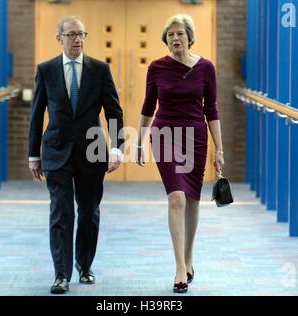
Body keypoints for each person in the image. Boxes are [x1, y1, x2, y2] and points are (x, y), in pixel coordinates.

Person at [28, 16, 124, 294]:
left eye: (81, 34)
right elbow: (36, 114)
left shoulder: (99, 69)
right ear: (59, 38)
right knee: (61, 212)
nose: (77, 39)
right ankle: (61, 274)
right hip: (56, 150)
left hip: (92, 150)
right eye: (71, 35)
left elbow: (114, 112)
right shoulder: (46, 70)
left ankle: (85, 266)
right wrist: (34, 154)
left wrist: (116, 149)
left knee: (89, 212)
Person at [136, 14, 225, 293]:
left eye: (180, 34)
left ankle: (188, 257)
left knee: (192, 200)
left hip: (196, 137)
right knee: (176, 198)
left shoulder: (206, 68)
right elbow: (148, 107)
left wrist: (219, 149)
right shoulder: (157, 68)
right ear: (166, 40)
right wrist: (139, 141)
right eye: (170, 35)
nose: (175, 39)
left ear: (190, 37)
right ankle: (178, 267)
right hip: (164, 135)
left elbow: (211, 109)